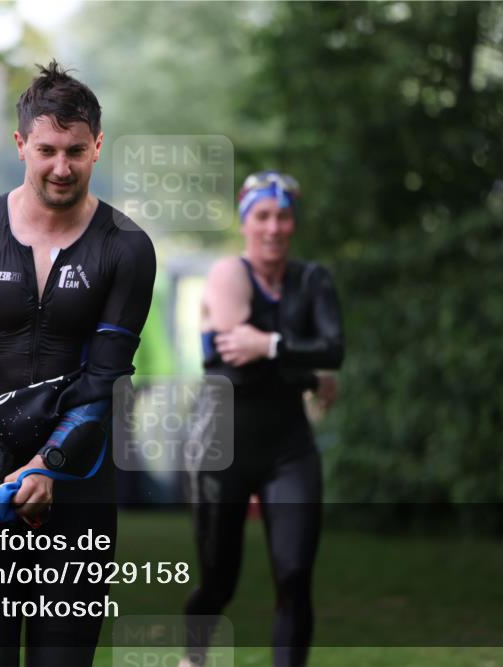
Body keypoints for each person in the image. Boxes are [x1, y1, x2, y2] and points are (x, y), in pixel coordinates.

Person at [0, 60, 156, 666]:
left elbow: (106, 380)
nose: (61, 167)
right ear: (21, 145)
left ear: (98, 146)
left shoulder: (126, 248)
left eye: (76, 151)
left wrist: (49, 467)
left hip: (81, 484)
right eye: (46, 150)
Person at [182, 171, 344, 667]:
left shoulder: (313, 279)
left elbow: (334, 349)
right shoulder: (228, 274)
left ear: (294, 222)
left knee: (294, 576)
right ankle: (194, 656)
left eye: (284, 216)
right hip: (222, 445)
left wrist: (271, 344)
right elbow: (240, 367)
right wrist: (310, 376)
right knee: (218, 582)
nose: (274, 227)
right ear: (246, 222)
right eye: (263, 216)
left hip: (287, 448)